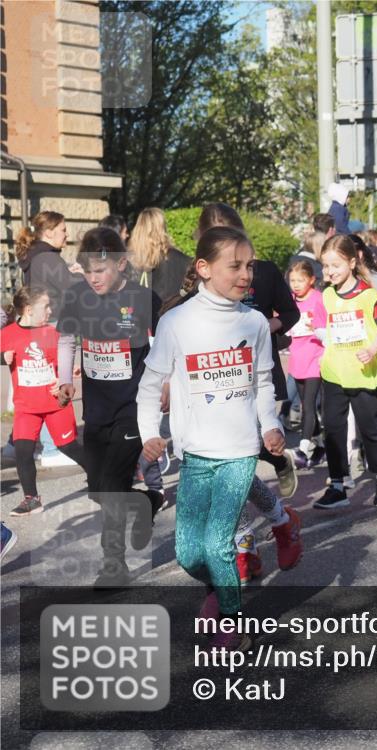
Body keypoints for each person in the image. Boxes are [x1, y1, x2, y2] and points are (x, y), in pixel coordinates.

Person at [137, 226, 284, 652]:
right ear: (203, 268)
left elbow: (261, 381)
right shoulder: (177, 321)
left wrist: (270, 425)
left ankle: (234, 622)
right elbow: (151, 386)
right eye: (234, 266)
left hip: (240, 448)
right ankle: (219, 591)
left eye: (249, 266)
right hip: (195, 451)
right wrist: (150, 435)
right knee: (188, 552)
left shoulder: (254, 321)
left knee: (219, 541)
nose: (246, 275)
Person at [190, 204, 302, 582]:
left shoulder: (264, 272)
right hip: (212, 387)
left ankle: (247, 545)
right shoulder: (197, 283)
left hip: (254, 382)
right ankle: (269, 529)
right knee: (229, 469)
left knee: (232, 470)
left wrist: (262, 327)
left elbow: (290, 314)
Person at [56, 227, 163, 587]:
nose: (93, 278)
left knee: (114, 484)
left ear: (120, 264)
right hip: (97, 408)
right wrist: (64, 379)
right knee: (99, 488)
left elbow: (166, 345)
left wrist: (165, 383)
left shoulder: (143, 299)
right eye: (87, 271)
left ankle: (113, 566)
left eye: (100, 271)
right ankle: (145, 503)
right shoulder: (76, 297)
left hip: (133, 405)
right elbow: (67, 338)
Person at [312, 234, 377, 510]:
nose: (329, 271)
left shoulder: (368, 295)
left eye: (335, 265)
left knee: (370, 429)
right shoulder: (326, 295)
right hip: (334, 374)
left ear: (351, 262)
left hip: (363, 373)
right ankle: (338, 484)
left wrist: (373, 349)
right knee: (333, 430)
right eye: (325, 266)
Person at [2, 287, 86, 516]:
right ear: (29, 310)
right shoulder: (8, 333)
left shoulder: (53, 332)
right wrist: (3, 357)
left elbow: (63, 361)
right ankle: (31, 499)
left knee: (68, 447)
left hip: (53, 405)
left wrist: (66, 375)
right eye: (45, 306)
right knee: (22, 450)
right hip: (26, 408)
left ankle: (101, 477)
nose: (50, 310)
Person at [287, 260, 327, 467]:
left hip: (315, 357)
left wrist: (318, 328)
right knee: (305, 403)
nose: (295, 284)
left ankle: (302, 449)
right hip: (297, 357)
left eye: (300, 280)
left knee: (309, 405)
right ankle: (320, 446)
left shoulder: (319, 299)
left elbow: (329, 325)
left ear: (311, 280)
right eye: (292, 280)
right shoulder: (289, 300)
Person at [15, 210, 81, 320]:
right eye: (63, 230)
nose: (67, 234)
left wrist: (69, 273)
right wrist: (81, 274)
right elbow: (74, 289)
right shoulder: (47, 257)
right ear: (49, 233)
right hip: (54, 322)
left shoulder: (36, 255)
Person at [128, 207, 189, 306]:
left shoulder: (127, 261)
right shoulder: (181, 259)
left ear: (138, 229)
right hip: (168, 316)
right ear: (163, 227)